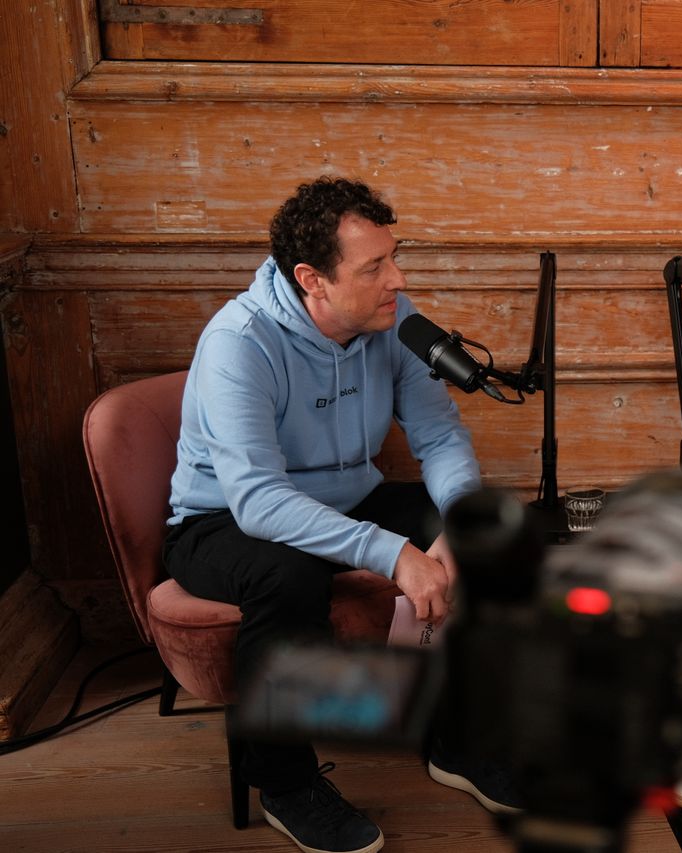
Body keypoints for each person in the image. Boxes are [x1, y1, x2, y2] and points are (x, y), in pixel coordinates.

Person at [163, 177, 517, 853]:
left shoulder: (393, 318)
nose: (397, 277)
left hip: (347, 499)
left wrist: (460, 525)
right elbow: (259, 500)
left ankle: (458, 741)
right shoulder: (240, 342)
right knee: (287, 575)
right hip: (220, 522)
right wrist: (392, 553)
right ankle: (286, 782)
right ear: (312, 279)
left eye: (394, 256)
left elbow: (439, 436)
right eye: (374, 267)